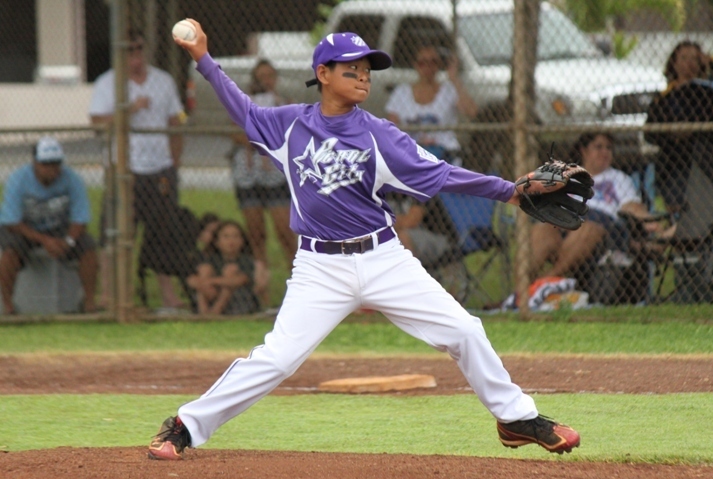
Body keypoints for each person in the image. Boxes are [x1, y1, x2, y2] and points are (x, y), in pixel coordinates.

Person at [148, 23, 580, 461]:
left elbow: (443, 174)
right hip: (319, 269)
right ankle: (185, 427)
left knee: (465, 329)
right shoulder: (289, 126)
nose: (363, 76)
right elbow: (240, 108)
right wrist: (203, 58)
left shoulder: (381, 134)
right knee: (277, 359)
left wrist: (508, 190)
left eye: (367, 69)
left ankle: (516, 419)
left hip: (383, 259)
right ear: (323, 73)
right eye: (351, 68)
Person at [89, 29, 187, 311]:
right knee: (115, 231)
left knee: (163, 232)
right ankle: (112, 295)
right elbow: (97, 122)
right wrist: (130, 108)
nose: (135, 56)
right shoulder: (108, 83)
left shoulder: (163, 81)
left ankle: (168, 296)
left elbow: (175, 121)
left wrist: (174, 162)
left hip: (159, 167)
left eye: (139, 49)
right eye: (129, 50)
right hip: (124, 169)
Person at [528, 132, 664, 281]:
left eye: (609, 148)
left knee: (587, 228)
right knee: (541, 230)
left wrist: (654, 225)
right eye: (598, 147)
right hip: (564, 225)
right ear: (584, 151)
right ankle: (519, 294)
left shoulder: (618, 178)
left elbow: (632, 206)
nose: (605, 152)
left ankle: (546, 282)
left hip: (601, 231)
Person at [0, 137, 98, 314]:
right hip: (24, 229)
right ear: (35, 163)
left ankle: (89, 303)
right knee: (9, 253)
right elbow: (11, 222)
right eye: (46, 164)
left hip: (59, 228)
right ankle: (8, 306)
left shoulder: (72, 179)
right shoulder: (18, 179)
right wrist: (46, 241)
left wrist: (68, 241)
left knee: (89, 247)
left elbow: (81, 219)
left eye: (56, 163)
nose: (52, 169)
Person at [227, 59, 297, 306]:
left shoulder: (283, 103)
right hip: (249, 174)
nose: (265, 81)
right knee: (256, 237)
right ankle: (262, 295)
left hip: (275, 176)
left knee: (286, 234)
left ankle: (297, 293)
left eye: (269, 76)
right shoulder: (243, 103)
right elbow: (235, 133)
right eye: (260, 76)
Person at [646, 40, 713, 213]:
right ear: (674, 63)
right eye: (684, 58)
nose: (689, 63)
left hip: (706, 159)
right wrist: (673, 134)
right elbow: (649, 132)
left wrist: (712, 64)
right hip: (676, 162)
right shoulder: (664, 97)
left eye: (694, 58)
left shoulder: (708, 92)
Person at [385, 44, 478, 166]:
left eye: (433, 62)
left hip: (445, 153)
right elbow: (392, 128)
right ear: (415, 65)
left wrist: (454, 79)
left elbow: (472, 112)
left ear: (439, 65)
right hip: (412, 153)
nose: (428, 67)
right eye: (423, 62)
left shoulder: (448, 90)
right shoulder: (402, 92)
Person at [186, 220, 260, 315]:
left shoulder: (245, 260)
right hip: (212, 294)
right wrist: (205, 283)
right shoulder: (210, 260)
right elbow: (191, 280)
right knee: (205, 270)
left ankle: (214, 313)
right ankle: (203, 312)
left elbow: (241, 280)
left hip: (238, 299)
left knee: (230, 272)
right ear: (217, 242)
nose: (231, 241)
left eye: (236, 236)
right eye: (226, 237)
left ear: (242, 241)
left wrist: (212, 281)